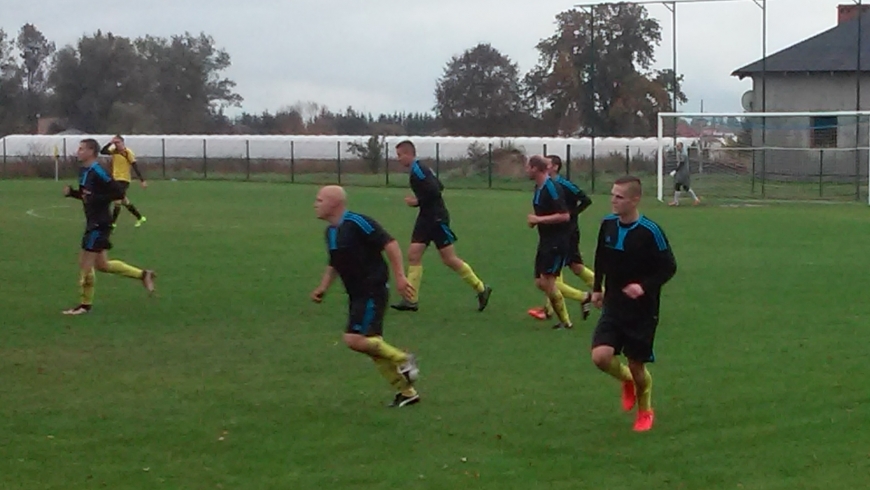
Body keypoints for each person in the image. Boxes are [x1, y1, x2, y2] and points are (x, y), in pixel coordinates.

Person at [311, 185, 422, 407]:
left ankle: (403, 359)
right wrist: (323, 287)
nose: (315, 204)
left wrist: (400, 276)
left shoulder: (358, 223)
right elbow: (335, 262)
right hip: (356, 293)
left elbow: (390, 244)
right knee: (372, 346)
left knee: (355, 340)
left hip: (372, 289)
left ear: (334, 203)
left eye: (320, 200)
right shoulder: (331, 232)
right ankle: (407, 393)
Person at [590, 175, 677, 432]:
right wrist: (597, 289)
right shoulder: (607, 224)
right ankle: (626, 380)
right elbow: (600, 257)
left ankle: (645, 409)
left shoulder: (651, 231)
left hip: (642, 309)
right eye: (612, 195)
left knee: (637, 364)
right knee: (600, 357)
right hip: (614, 304)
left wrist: (643, 286)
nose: (613, 201)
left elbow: (669, 267)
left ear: (635, 199)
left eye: (619, 197)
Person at [390, 140, 492, 313]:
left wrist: (417, 201)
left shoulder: (418, 169)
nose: (398, 159)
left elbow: (435, 190)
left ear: (408, 154)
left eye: (400, 155)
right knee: (414, 255)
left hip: (436, 218)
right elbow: (439, 185)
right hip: (426, 217)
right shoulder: (421, 168)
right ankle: (411, 300)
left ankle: (481, 288)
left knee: (449, 259)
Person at [62, 139, 156, 315]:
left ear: (91, 151)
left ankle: (84, 306)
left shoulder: (98, 170)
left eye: (81, 149)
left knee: (85, 264)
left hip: (99, 223)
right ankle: (144, 275)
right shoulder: (84, 170)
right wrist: (73, 193)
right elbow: (87, 196)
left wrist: (96, 199)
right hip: (94, 221)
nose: (78, 151)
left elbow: (117, 193)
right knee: (102, 265)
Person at [528, 155, 594, 322]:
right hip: (550, 236)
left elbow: (584, 201)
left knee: (568, 269)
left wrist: (572, 216)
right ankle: (576, 300)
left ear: (555, 167)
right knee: (552, 275)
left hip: (565, 234)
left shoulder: (560, 185)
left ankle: (599, 297)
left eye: (548, 164)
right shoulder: (541, 186)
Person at [526, 155, 574, 330]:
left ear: (536, 169)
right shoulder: (538, 187)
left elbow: (564, 215)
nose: (526, 170)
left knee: (548, 282)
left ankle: (565, 321)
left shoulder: (552, 188)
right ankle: (584, 298)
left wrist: (538, 220)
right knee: (541, 282)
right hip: (546, 240)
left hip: (557, 241)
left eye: (528, 167)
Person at [100, 135, 148, 227]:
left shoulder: (127, 152)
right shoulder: (114, 151)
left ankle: (112, 224)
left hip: (124, 179)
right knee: (124, 201)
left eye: (118, 142)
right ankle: (140, 218)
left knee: (117, 201)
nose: (116, 144)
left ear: (122, 142)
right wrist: (110, 143)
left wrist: (142, 180)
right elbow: (103, 151)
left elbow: (135, 166)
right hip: (115, 179)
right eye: (115, 142)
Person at [669, 142, 700, 206]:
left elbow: (681, 163)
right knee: (681, 186)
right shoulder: (680, 153)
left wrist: (675, 171)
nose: (677, 148)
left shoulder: (683, 154)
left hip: (683, 173)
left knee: (682, 186)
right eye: (676, 146)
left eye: (678, 146)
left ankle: (695, 199)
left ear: (681, 147)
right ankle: (676, 201)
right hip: (682, 172)